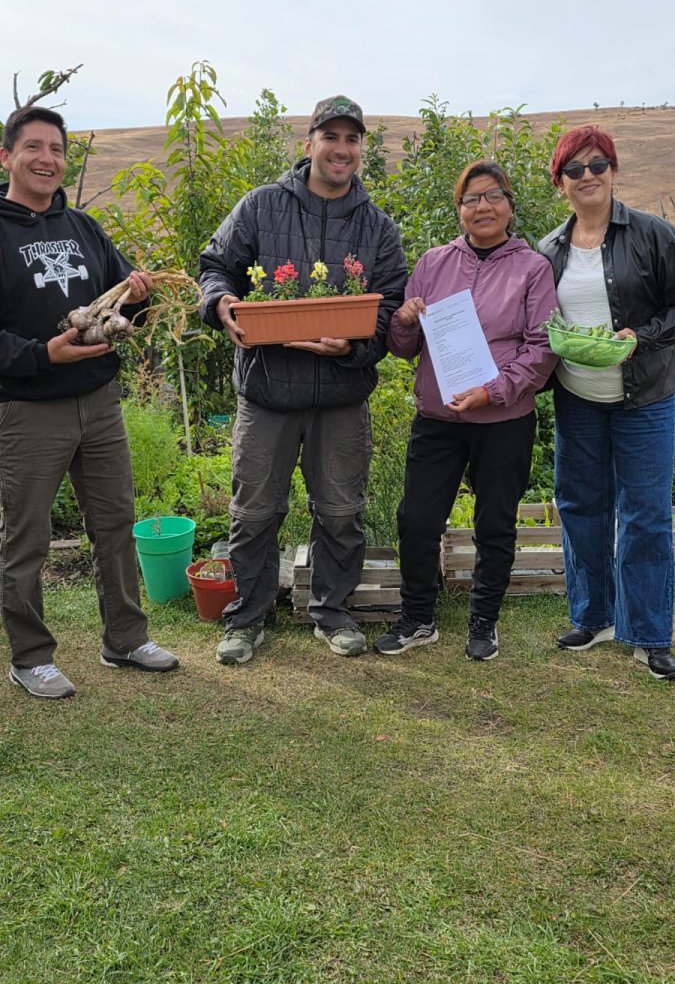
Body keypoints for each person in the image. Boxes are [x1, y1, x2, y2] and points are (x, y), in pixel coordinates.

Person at [199, 95, 407, 664]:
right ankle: (247, 617)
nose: (341, 149)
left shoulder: (377, 227)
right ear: (308, 142)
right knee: (254, 512)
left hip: (341, 396)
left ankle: (332, 611)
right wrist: (221, 304)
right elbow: (215, 266)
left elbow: (391, 305)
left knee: (340, 511)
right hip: (268, 390)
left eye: (351, 139)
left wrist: (355, 344)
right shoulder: (261, 206)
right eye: (330, 136)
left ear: (360, 148)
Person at [0, 106, 179, 700]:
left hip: (99, 402)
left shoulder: (83, 227)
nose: (47, 159)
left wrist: (141, 296)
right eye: (33, 147)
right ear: (7, 157)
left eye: (56, 149)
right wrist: (41, 355)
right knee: (26, 537)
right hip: (29, 407)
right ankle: (31, 657)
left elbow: (121, 306)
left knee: (114, 524)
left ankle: (125, 639)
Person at [373, 161, 557, 661]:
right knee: (416, 519)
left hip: (504, 420)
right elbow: (404, 348)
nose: (483, 207)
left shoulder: (532, 269)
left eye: (493, 196)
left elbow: (541, 349)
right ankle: (417, 619)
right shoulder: (433, 263)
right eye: (471, 199)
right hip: (439, 419)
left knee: (494, 523)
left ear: (510, 206)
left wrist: (492, 391)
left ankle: (483, 621)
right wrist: (404, 320)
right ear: (459, 210)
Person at [539, 126, 675, 681]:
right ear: (560, 183)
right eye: (574, 169)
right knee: (579, 505)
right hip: (578, 397)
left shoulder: (653, 234)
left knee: (645, 514)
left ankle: (648, 631)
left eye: (597, 165)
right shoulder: (549, 249)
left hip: (646, 398)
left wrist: (642, 336)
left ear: (613, 171)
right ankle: (593, 616)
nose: (587, 176)